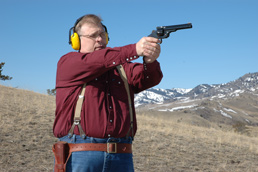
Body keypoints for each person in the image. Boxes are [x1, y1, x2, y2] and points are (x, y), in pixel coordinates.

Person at [53, 14, 163, 172]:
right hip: (80, 154)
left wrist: (150, 61)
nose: (99, 39)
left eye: (101, 35)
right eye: (92, 36)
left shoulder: (122, 67)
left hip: (121, 154)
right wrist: (135, 49)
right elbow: (96, 61)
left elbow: (150, 78)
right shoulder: (68, 63)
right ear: (76, 40)